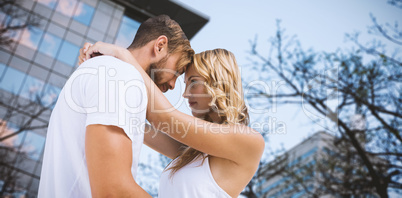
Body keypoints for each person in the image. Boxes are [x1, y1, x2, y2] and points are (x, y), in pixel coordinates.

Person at [80, 43, 265, 197]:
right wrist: (101, 74)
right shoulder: (191, 153)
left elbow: (163, 117)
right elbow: (134, 122)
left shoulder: (249, 142)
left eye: (193, 82)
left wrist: (123, 55)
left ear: (218, 82)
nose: (185, 94)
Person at [38, 15, 194, 198]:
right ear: (159, 46)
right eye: (177, 71)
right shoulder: (121, 77)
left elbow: (184, 151)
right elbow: (113, 191)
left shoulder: (109, 73)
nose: (174, 85)